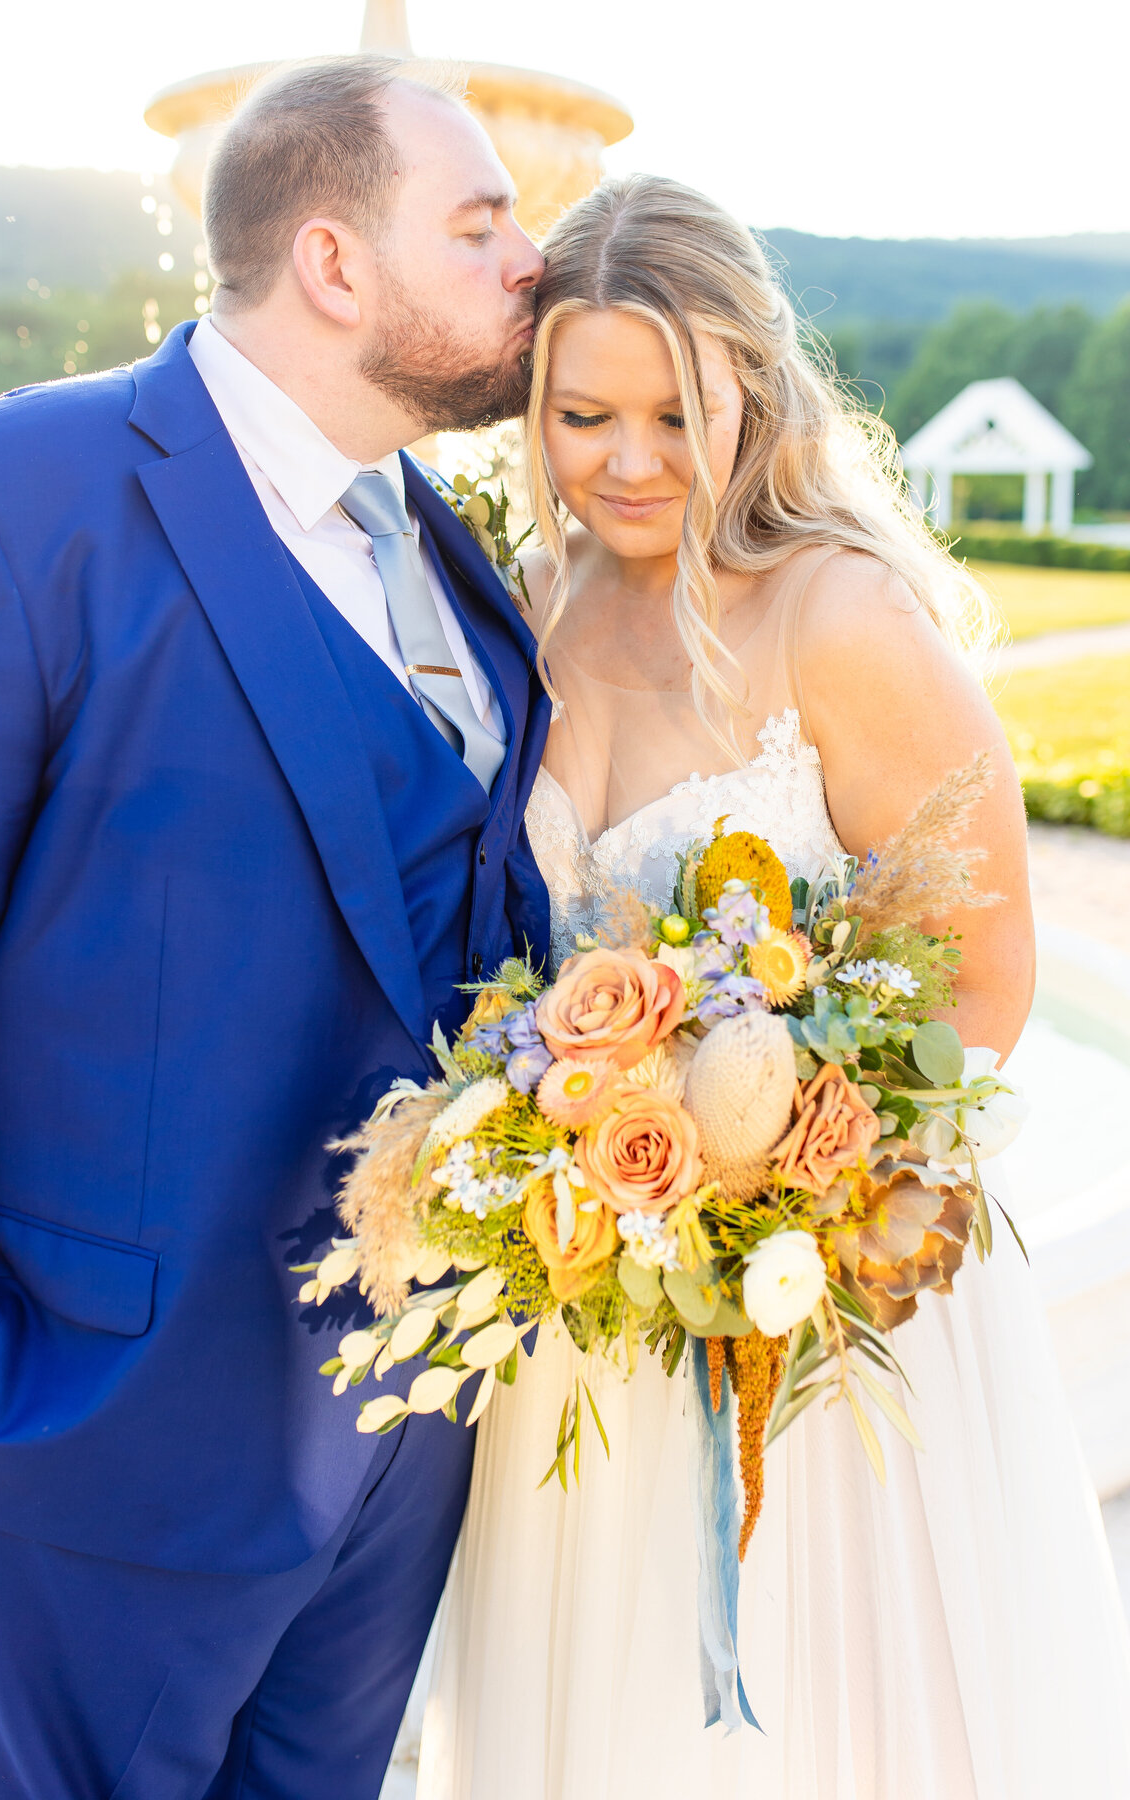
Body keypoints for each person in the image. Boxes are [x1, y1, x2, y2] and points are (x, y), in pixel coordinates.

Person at [416, 175, 1130, 1800]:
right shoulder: (530, 609)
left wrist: (795, 1190)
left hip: (820, 1308)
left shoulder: (838, 615)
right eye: (583, 412)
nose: (630, 459)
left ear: (753, 384)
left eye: (678, 411)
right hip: (592, 1306)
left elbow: (990, 969)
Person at [0, 54, 548, 1799]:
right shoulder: (3, 501)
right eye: (483, 222)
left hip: (407, 1428)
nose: (531, 263)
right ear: (338, 266)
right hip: (105, 1431)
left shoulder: (449, 538)